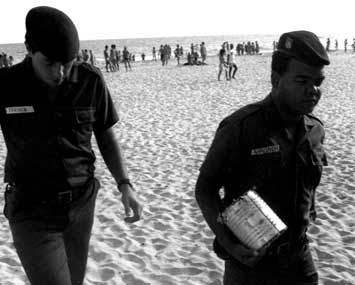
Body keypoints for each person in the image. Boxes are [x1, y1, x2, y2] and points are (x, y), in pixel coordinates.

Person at [0, 6, 142, 285]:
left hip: (81, 204)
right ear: (29, 48)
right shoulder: (6, 85)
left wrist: (125, 183)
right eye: (50, 63)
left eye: (68, 62)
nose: (60, 72)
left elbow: (105, 133)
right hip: (31, 210)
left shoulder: (90, 80)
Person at [195, 30, 330, 285]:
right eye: (302, 81)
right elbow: (205, 189)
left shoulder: (315, 130)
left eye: (318, 82)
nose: (313, 90)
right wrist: (229, 244)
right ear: (276, 79)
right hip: (251, 267)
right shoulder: (241, 127)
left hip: (300, 261)